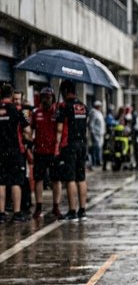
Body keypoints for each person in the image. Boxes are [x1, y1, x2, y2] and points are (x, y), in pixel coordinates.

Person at [55, 80, 89, 220]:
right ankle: (82, 210)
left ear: (64, 92)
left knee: (70, 178)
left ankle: (72, 211)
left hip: (69, 145)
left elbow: (59, 129)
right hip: (82, 144)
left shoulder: (64, 107)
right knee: (81, 178)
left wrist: (57, 148)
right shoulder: (83, 106)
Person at [0, 82, 32, 223]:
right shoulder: (18, 110)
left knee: (0, 182)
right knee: (15, 182)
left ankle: (0, 214)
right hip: (15, 151)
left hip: (0, 151)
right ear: (12, 95)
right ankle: (17, 213)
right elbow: (27, 130)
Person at [31, 87, 63, 220]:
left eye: (48, 97)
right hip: (39, 151)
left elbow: (60, 131)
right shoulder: (36, 112)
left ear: (53, 98)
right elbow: (29, 128)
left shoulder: (57, 112)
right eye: (44, 97)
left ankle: (56, 206)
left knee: (56, 180)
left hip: (53, 152)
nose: (46, 100)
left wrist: (57, 146)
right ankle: (38, 207)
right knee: (38, 179)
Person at [88, 100, 105, 168]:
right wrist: (93, 134)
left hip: (100, 134)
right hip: (96, 134)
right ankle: (94, 163)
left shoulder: (98, 113)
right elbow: (91, 124)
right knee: (95, 149)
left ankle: (97, 161)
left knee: (98, 148)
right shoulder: (93, 113)